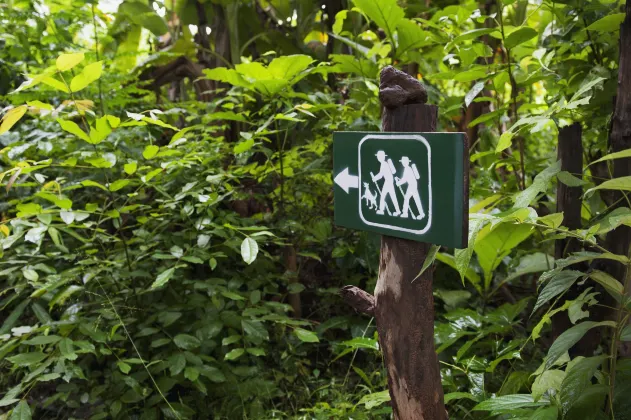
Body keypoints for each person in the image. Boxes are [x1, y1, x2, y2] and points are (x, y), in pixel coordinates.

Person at [372, 150, 401, 216]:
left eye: (379, 156)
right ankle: (398, 211)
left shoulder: (384, 164)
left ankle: (382, 210)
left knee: (383, 196)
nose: (378, 158)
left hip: (388, 181)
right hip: (389, 181)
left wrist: (375, 178)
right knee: (392, 196)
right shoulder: (384, 163)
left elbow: (381, 174)